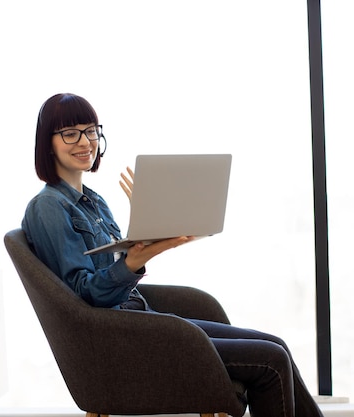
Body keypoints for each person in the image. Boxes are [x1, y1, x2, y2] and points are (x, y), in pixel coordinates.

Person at [22, 92, 324, 417]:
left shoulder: (94, 201)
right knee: (271, 361)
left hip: (143, 320)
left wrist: (153, 224)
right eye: (70, 133)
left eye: (92, 130)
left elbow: (113, 270)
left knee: (276, 344)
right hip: (120, 340)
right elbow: (87, 294)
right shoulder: (48, 207)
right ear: (48, 142)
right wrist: (137, 258)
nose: (85, 142)